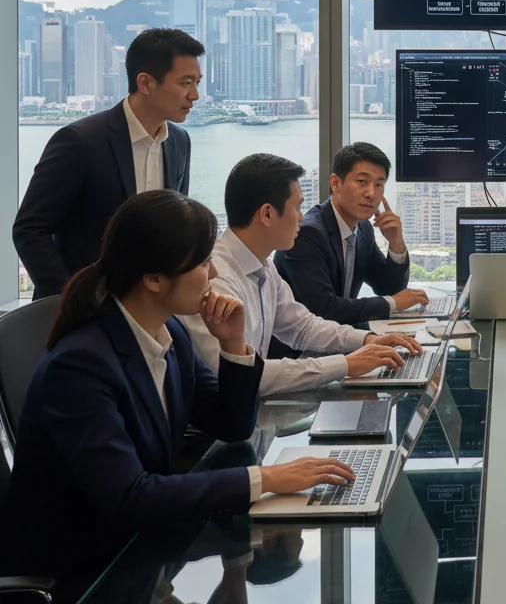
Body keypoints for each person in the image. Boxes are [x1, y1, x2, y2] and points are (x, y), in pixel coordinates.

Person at [0, 190, 360, 577]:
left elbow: (232, 425)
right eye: (204, 263)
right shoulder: (80, 367)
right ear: (153, 278)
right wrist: (265, 478)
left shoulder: (168, 331)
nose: (215, 274)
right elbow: (131, 497)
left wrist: (233, 344)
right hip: (81, 570)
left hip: (144, 545)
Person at [181, 153, 419, 396]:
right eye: (297, 207)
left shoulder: (262, 265)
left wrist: (367, 340)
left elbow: (302, 327)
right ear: (267, 214)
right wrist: (346, 364)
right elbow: (245, 377)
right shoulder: (215, 280)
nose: (302, 217)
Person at [13, 27, 205, 298]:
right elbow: (30, 229)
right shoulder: (80, 141)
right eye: (186, 83)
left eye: (197, 82)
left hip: (150, 309)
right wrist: (73, 297)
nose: (195, 95)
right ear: (145, 83)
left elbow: (174, 228)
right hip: (85, 316)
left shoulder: (179, 142)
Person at [275, 143, 427, 324]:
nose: (371, 193)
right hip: (299, 349)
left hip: (339, 339)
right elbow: (324, 309)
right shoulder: (308, 234)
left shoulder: (363, 229)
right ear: (335, 183)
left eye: (379, 184)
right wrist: (392, 303)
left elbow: (388, 288)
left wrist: (396, 243)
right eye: (362, 181)